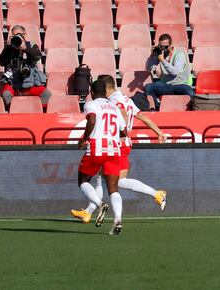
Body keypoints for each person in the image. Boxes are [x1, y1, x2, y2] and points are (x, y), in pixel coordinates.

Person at [71, 75, 168, 227]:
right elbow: (141, 116)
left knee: (113, 181)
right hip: (122, 143)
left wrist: (117, 133)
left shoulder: (114, 102)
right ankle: (89, 212)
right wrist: (159, 132)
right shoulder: (127, 100)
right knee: (102, 178)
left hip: (115, 143)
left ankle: (156, 194)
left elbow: (120, 115)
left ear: (106, 89)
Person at [72, 79, 127, 235]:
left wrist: (85, 138)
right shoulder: (114, 108)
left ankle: (99, 204)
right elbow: (124, 132)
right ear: (106, 92)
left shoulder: (91, 104)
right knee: (113, 189)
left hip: (97, 147)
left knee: (83, 180)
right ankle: (118, 220)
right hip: (114, 149)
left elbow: (92, 119)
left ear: (92, 93)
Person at [0, 25, 51, 109]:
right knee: (6, 94)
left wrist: (25, 48)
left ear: (25, 35)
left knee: (46, 94)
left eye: (20, 34)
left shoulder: (32, 45)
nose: (18, 37)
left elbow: (38, 56)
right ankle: (13, 112)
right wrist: (7, 48)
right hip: (14, 84)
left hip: (30, 84)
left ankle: (38, 112)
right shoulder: (9, 48)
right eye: (15, 35)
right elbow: (1, 62)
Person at [144, 33, 194, 110]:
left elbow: (175, 72)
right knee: (148, 87)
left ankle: (192, 111)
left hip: (180, 84)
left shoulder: (179, 54)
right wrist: (152, 56)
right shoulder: (160, 53)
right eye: (161, 46)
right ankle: (155, 108)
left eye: (165, 46)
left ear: (171, 45)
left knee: (190, 92)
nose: (163, 48)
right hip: (166, 84)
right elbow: (148, 69)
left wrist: (162, 60)